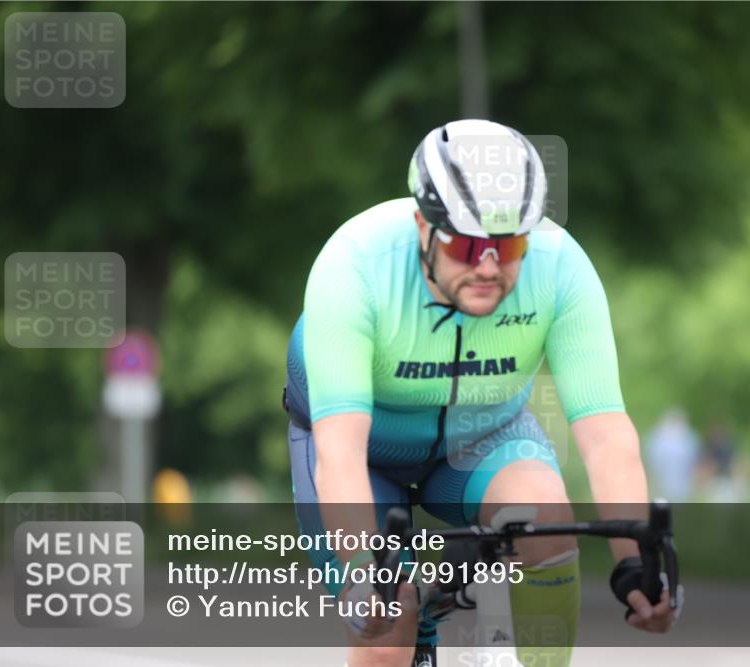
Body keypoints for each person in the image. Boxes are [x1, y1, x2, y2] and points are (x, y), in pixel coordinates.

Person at [284, 119, 674, 667]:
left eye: (509, 244)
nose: (488, 267)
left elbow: (607, 434)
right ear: (424, 226)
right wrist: (362, 574)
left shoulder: (560, 266)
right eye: (468, 246)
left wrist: (635, 564)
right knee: (387, 622)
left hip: (485, 432)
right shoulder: (353, 266)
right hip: (361, 449)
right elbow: (340, 451)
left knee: (546, 523)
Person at [644, 408, 701, 503]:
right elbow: (653, 461)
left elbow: (694, 461)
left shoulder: (689, 438)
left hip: (682, 485)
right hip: (664, 484)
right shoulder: (658, 438)